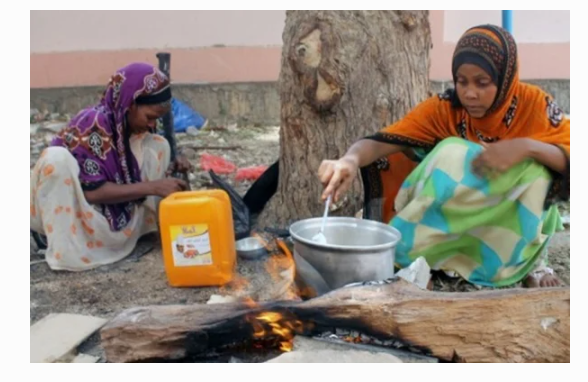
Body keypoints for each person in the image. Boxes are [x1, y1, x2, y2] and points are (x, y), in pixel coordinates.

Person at [318, 25, 569, 288]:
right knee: (452, 151)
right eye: (462, 81)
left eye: (482, 83)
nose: (470, 93)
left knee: (540, 172)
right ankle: (425, 259)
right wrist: (349, 160)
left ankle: (528, 264)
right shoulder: (447, 109)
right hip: (455, 216)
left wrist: (526, 147)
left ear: (505, 79)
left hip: (504, 225)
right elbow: (383, 141)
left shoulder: (535, 106)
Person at [30, 63, 192, 271]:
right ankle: (66, 249)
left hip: (110, 211)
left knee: (158, 144)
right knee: (56, 159)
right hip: (75, 209)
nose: (153, 124)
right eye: (150, 117)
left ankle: (144, 231)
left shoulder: (129, 125)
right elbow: (93, 193)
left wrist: (174, 165)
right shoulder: (93, 123)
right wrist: (154, 187)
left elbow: (134, 162)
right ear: (130, 104)